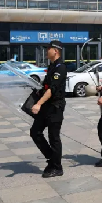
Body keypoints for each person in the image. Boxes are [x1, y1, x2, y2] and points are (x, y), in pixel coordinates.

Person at [30, 41, 67, 178]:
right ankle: (52, 159)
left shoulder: (60, 67)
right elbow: (46, 87)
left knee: (54, 137)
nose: (47, 51)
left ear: (56, 51)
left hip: (55, 107)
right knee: (35, 132)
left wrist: (38, 104)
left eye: (48, 49)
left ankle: (57, 168)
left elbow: (52, 89)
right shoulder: (52, 67)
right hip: (47, 106)